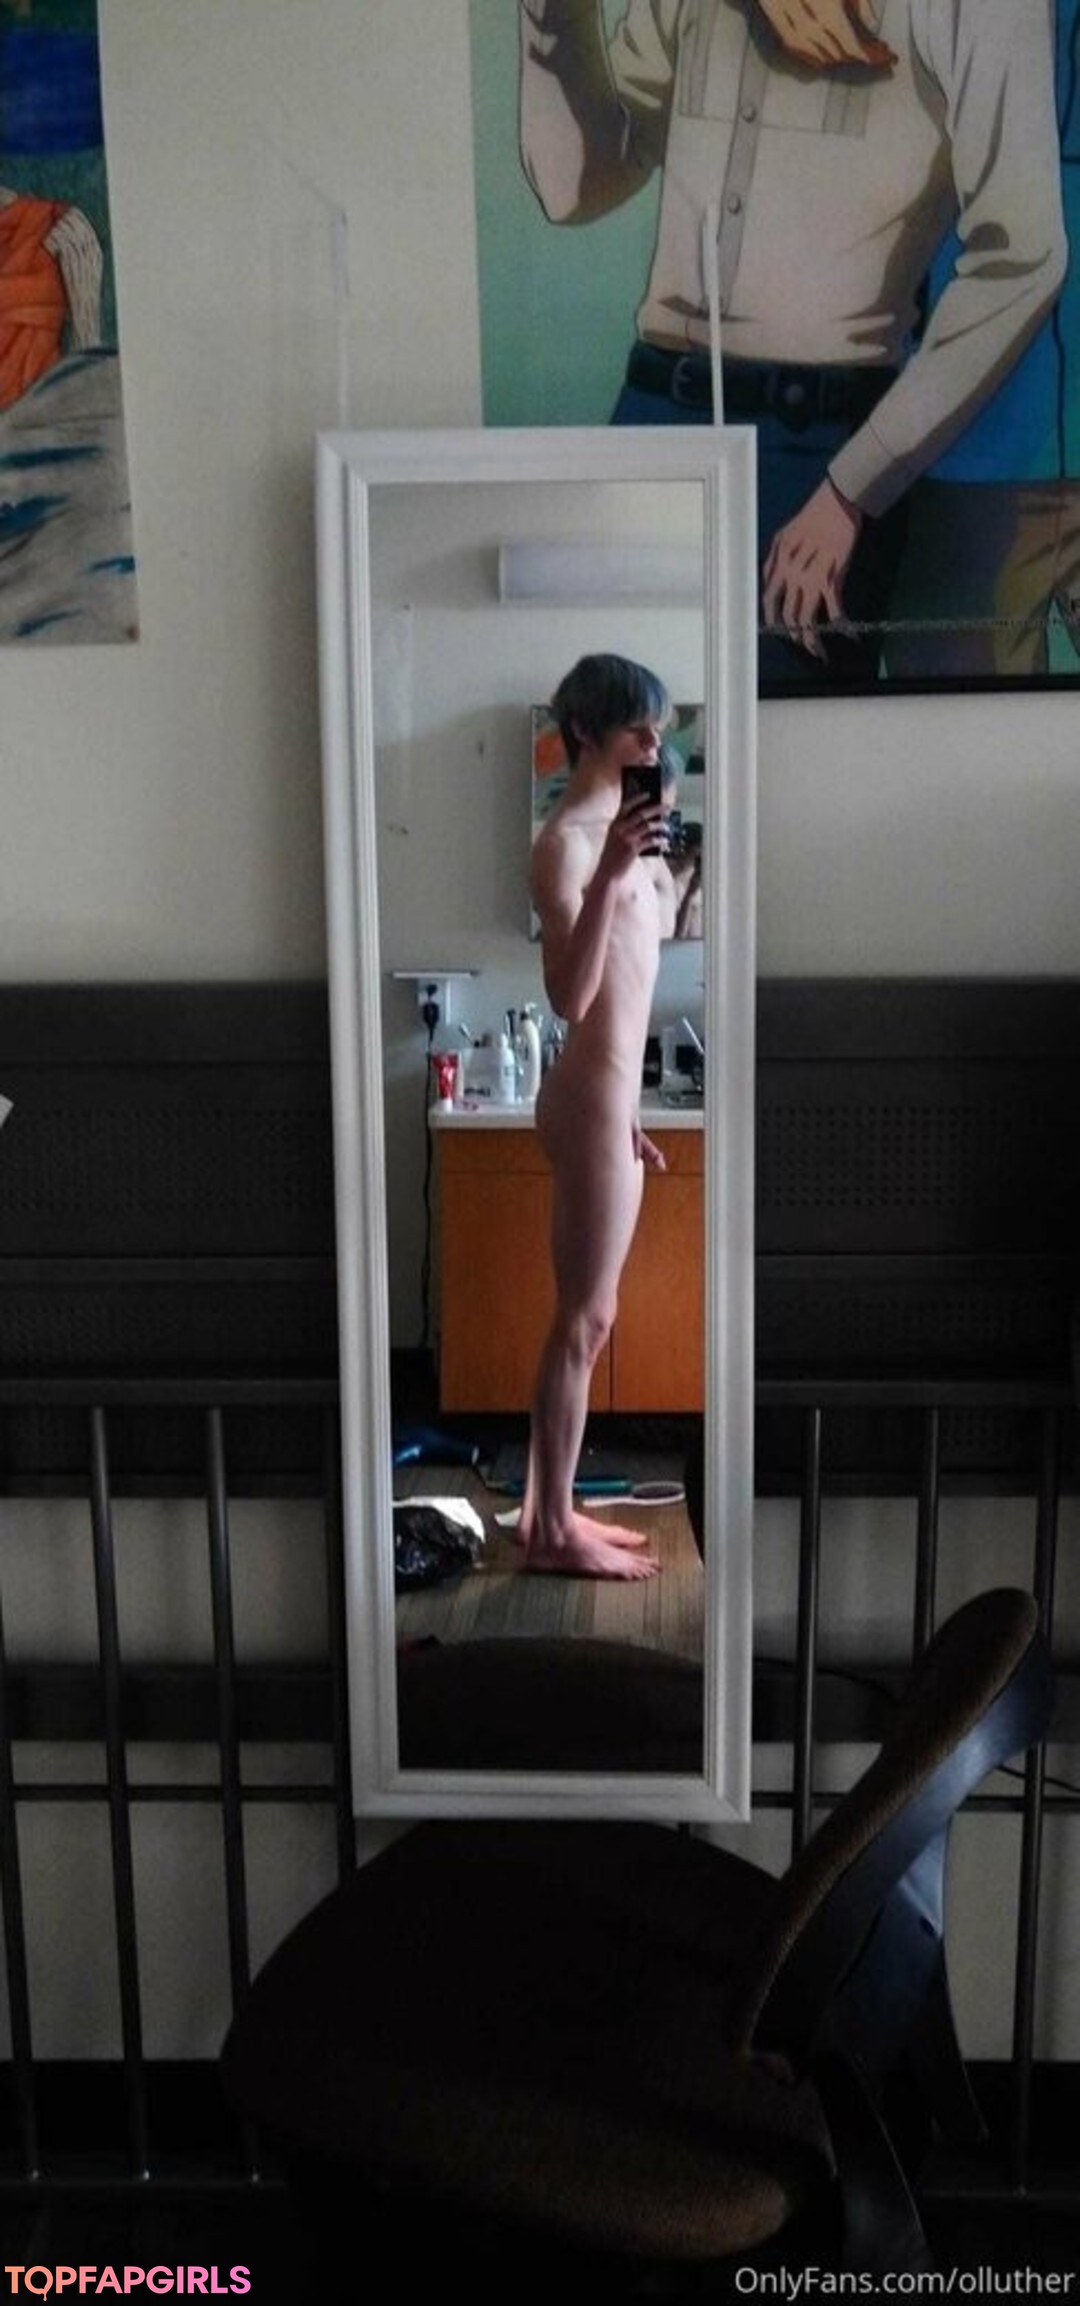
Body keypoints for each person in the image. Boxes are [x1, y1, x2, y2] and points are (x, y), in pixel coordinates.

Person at [518, 0, 1067, 687]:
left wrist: (850, 490)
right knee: (610, 720)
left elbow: (1021, 256)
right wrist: (550, 19)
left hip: (816, 455)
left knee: (784, 739)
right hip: (650, 417)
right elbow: (576, 188)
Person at [520, 653, 673, 1579]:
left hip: (610, 1102)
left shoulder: (628, 839)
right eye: (635, 728)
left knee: (591, 1317)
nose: (654, 742)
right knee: (585, 1319)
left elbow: (632, 985)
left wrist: (628, 1113)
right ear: (585, 731)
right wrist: (616, 873)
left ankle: (550, 1506)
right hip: (585, 1099)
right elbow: (572, 1000)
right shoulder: (569, 846)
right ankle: (550, 1534)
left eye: (659, 727)